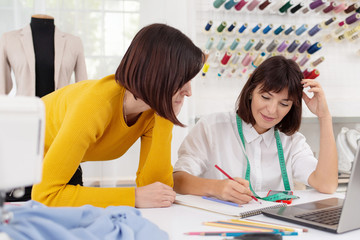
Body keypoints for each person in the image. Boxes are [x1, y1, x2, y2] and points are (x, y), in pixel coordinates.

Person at [32, 23, 205, 208]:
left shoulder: (150, 112)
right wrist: (134, 197)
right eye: (183, 80)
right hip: (15, 161)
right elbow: (45, 195)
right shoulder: (94, 106)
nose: (189, 92)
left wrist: (165, 118)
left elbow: (157, 191)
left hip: (52, 168)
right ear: (158, 74)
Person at [173, 55, 338, 205]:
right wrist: (216, 187)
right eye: (265, 97)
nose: (272, 110)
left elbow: (326, 184)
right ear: (251, 90)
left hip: (272, 229)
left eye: (284, 104)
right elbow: (178, 180)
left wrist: (324, 117)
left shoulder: (292, 141)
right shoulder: (211, 128)